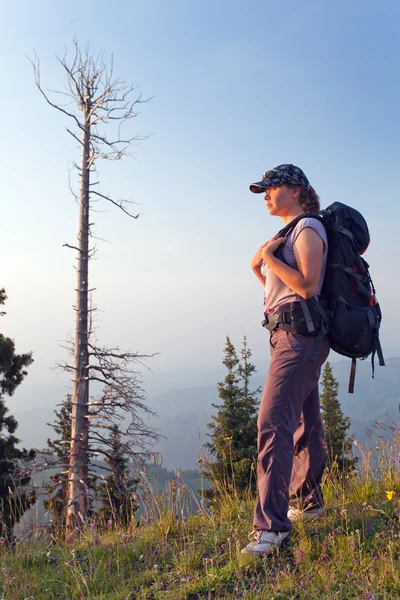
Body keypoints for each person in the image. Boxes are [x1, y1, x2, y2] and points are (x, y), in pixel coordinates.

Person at [241, 164, 330, 556]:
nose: (265, 195)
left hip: (301, 337)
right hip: (286, 334)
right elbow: (283, 290)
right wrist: (262, 268)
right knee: (300, 421)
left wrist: (269, 259)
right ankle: (307, 504)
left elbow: (309, 286)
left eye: (270, 188)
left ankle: (272, 528)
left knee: (272, 422)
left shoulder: (308, 229)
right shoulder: (288, 234)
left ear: (294, 190)